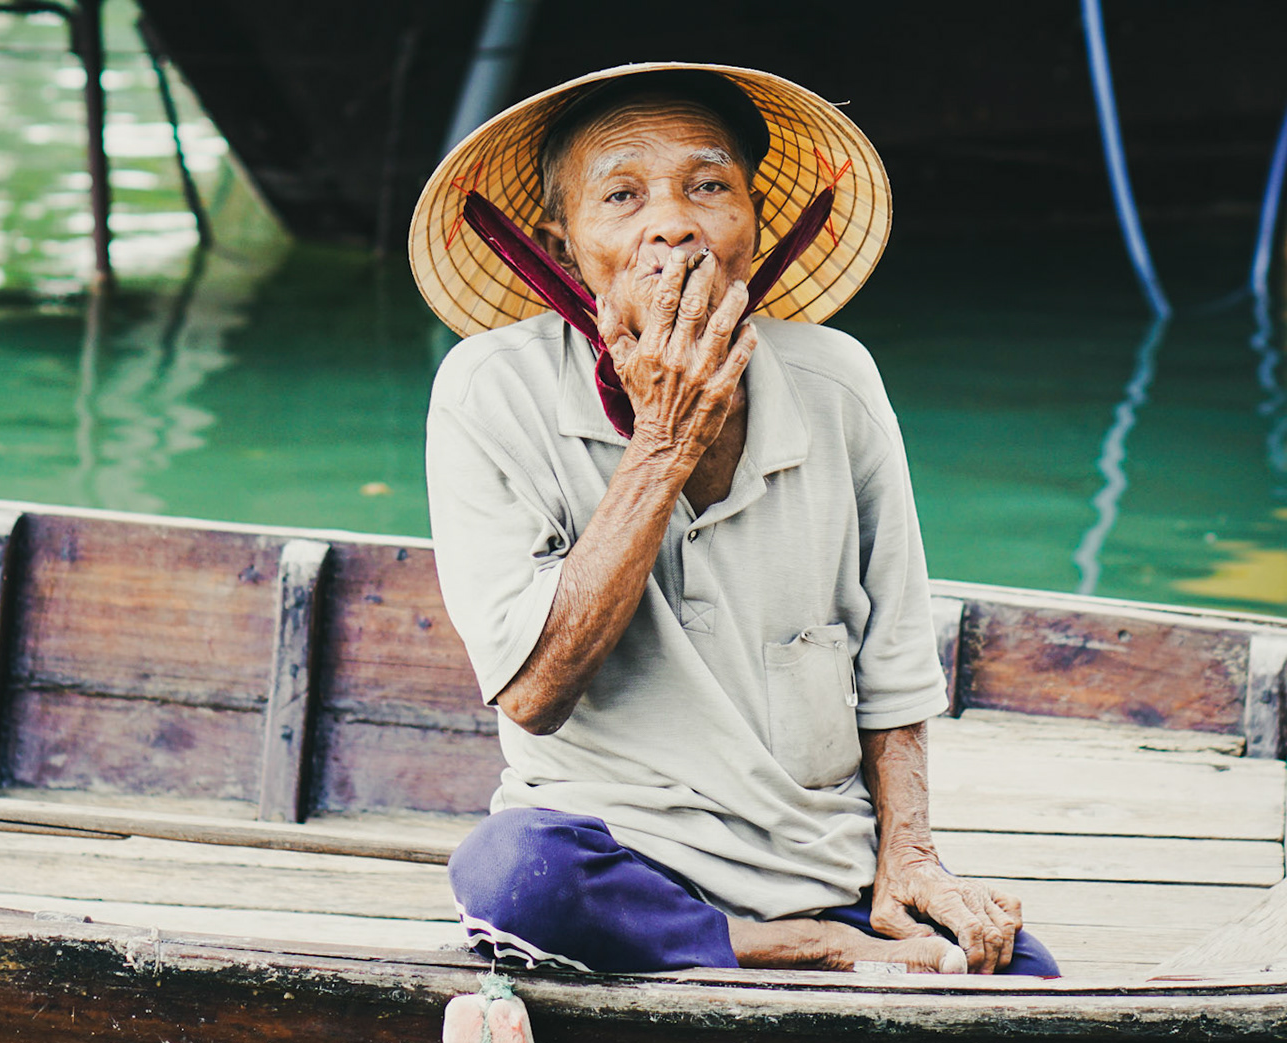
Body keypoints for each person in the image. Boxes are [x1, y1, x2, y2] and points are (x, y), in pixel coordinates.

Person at [407, 63, 1058, 977]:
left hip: (816, 863)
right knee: (514, 877)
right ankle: (787, 952)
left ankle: (808, 930)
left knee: (1024, 973)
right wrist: (665, 440)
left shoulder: (837, 382)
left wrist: (909, 860)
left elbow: (896, 663)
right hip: (619, 856)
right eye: (622, 195)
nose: (671, 222)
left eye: (707, 186)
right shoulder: (489, 390)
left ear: (755, 224)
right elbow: (534, 692)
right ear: (561, 246)